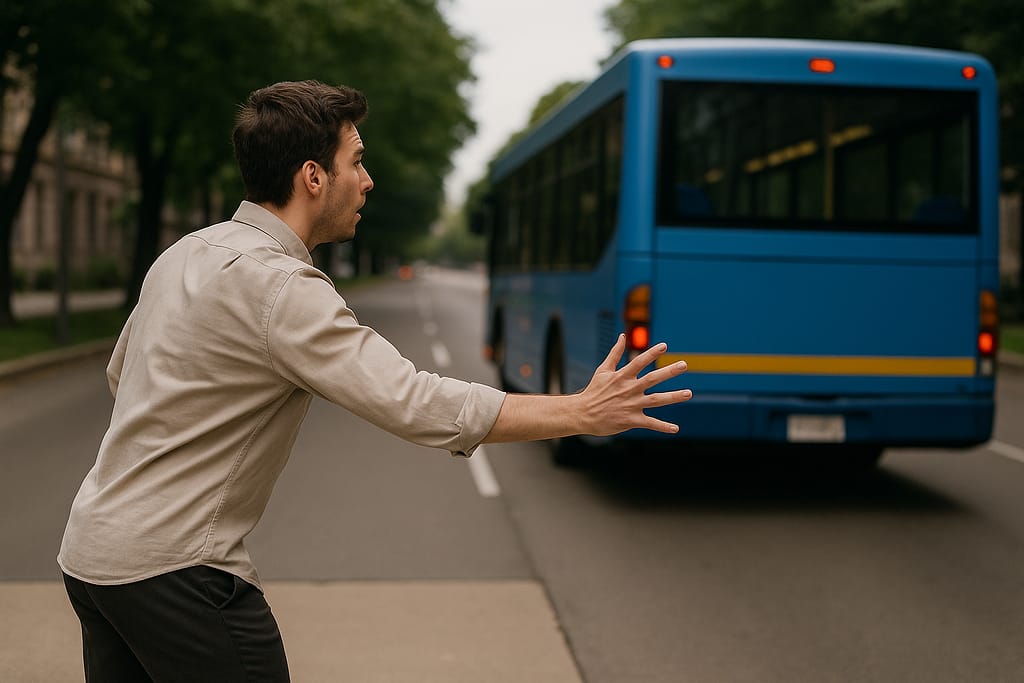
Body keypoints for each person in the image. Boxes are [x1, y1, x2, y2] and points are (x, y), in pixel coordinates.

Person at [57, 80, 692, 682]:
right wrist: (579, 413)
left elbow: (125, 377)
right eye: (355, 161)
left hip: (92, 556)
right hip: (177, 573)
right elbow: (414, 402)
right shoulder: (283, 287)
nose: (368, 180)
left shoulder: (182, 253)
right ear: (313, 176)